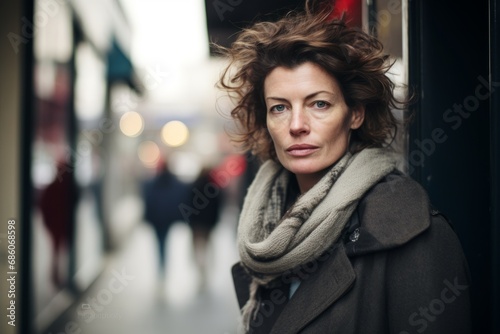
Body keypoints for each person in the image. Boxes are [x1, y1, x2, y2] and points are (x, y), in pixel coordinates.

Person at [217, 1, 471, 333]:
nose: (297, 125)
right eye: (279, 108)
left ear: (355, 113)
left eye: (319, 104)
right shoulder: (266, 224)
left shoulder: (411, 232)